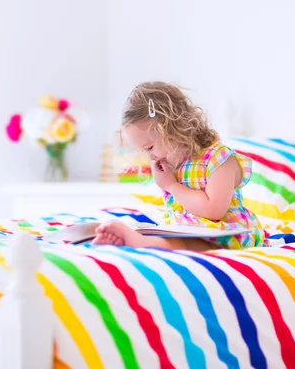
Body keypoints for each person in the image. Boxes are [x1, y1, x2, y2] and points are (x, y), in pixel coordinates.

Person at [92, 81, 264, 251]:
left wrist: (170, 185)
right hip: (188, 230)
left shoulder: (219, 159)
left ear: (174, 129)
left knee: (186, 244)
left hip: (228, 234)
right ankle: (142, 240)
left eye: (150, 148)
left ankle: (143, 244)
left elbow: (213, 210)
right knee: (172, 237)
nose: (149, 157)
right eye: (143, 150)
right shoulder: (174, 163)